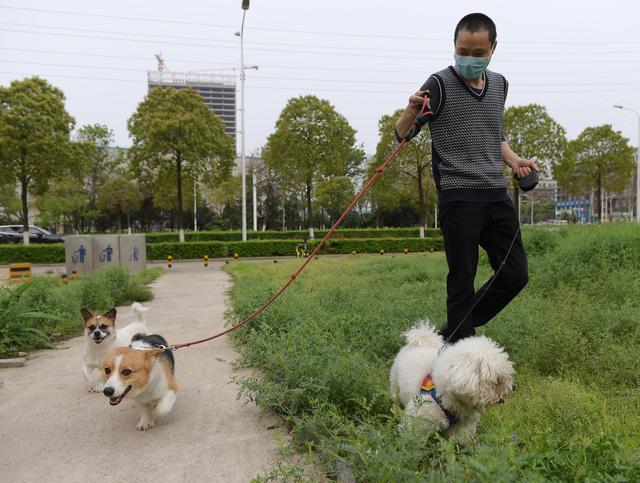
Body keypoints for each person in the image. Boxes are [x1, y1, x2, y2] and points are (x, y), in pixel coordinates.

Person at [395, 13, 537, 343]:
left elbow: (494, 134)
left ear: (492, 49)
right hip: (458, 198)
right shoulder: (438, 84)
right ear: (454, 46)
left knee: (516, 273)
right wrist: (409, 111)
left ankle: (454, 331)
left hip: (496, 195)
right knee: (462, 281)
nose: (468, 59)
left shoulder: (500, 84)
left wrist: (514, 161)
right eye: (462, 51)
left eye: (477, 54)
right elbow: (403, 135)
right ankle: (457, 363)